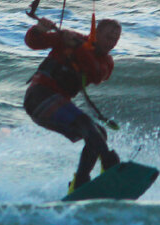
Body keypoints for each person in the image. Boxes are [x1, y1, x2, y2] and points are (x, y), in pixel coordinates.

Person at [23, 15, 122, 193]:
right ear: (96, 33)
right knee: (86, 124)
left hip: (55, 103)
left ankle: (80, 183)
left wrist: (77, 47)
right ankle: (110, 164)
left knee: (99, 133)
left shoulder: (105, 62)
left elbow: (96, 72)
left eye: (115, 39)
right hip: (39, 96)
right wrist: (39, 29)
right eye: (108, 37)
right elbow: (33, 42)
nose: (111, 43)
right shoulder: (70, 39)